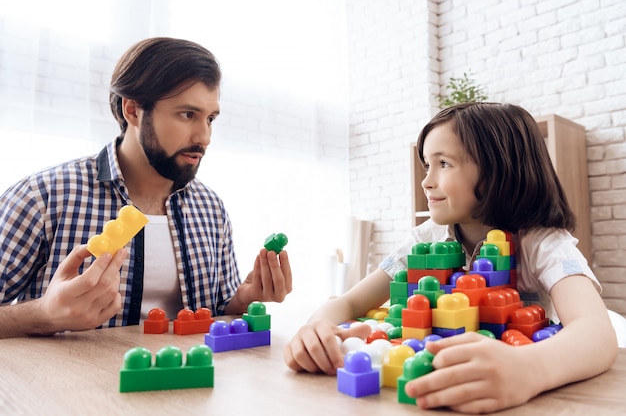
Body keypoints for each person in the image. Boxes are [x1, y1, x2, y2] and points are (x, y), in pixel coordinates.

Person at [283, 102, 618, 413]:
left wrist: (530, 369)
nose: (427, 181)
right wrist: (315, 330)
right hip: (427, 381)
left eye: (444, 164)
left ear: (497, 171)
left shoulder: (542, 242)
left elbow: (597, 333)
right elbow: (347, 303)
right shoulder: (425, 239)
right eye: (427, 165)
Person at [0, 37, 292, 339]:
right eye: (187, 114)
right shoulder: (43, 197)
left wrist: (246, 298)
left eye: (211, 118)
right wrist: (43, 315)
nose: (204, 136)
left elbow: (217, 311)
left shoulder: (211, 209)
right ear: (133, 111)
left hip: (188, 382)